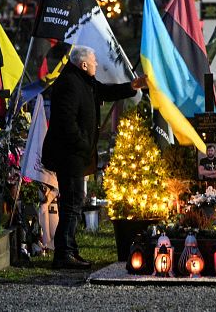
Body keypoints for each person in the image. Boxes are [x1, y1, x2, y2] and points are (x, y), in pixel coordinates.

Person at [41, 46, 147, 269]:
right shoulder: (70, 83)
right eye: (94, 61)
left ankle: (69, 249)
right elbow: (66, 121)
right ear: (84, 64)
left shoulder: (83, 80)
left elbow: (105, 92)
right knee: (71, 203)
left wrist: (132, 86)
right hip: (69, 154)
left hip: (76, 154)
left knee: (74, 202)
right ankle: (63, 254)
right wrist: (83, 143)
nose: (97, 64)